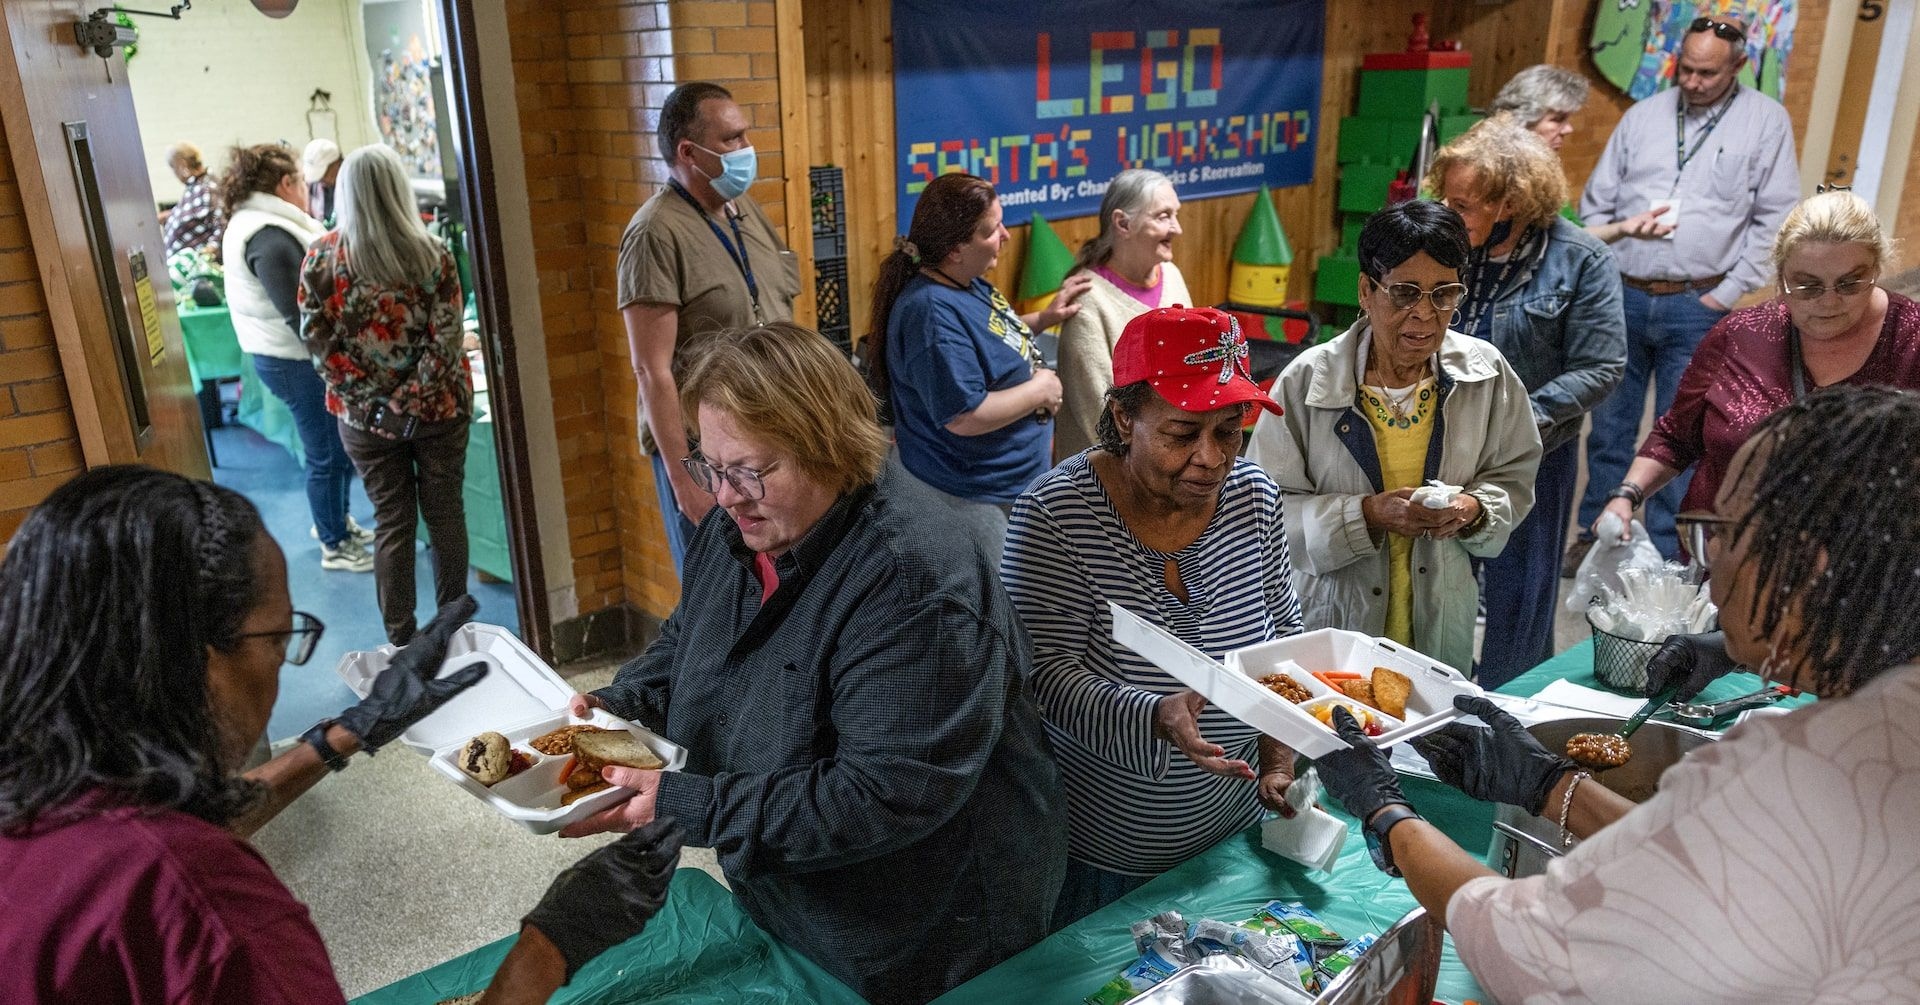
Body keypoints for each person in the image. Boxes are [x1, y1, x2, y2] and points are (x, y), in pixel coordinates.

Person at [1310, 385, 1920, 1003]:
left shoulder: (1789, 771)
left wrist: (1387, 813)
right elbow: (1695, 858)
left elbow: (1533, 945)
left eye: (1720, 535)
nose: (1708, 569)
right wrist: (1550, 786)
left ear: (1805, 570)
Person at [0, 465, 684, 1004]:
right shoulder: (207, 908)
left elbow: (162, 826)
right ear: (192, 660)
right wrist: (551, 945)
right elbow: (171, 856)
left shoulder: (37, 786)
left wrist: (340, 737)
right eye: (277, 639)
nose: (279, 667)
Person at [561, 323, 1068, 1005]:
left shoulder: (919, 580)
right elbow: (691, 638)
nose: (725, 494)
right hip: (796, 886)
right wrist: (620, 705)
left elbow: (882, 793)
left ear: (829, 446)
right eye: (710, 464)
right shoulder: (741, 525)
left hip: (928, 931)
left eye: (752, 469)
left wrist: (690, 801)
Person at [1002, 306, 1301, 925]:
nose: (1211, 458)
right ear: (1123, 416)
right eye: (1182, 433)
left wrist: (1278, 758)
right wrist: (1154, 715)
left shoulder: (1254, 497)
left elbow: (1285, 647)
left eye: (1229, 430)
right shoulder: (1055, 516)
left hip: (1232, 827)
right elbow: (1040, 677)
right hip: (1106, 853)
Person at [1247, 201, 1539, 676]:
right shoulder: (1307, 382)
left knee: (1433, 737)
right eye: (1405, 293)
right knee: (1338, 736)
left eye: (1444, 294)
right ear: (1366, 290)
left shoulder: (1486, 375)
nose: (1424, 315)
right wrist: (1364, 515)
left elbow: (1514, 477)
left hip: (1441, 619)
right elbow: (1266, 514)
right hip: (1334, 622)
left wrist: (1474, 509)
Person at [1570, 13, 1800, 566]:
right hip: (1622, 295)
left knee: (1680, 435)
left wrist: (1727, 294)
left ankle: (1666, 553)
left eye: (1707, 74)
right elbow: (1596, 201)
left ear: (1738, 67)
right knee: (1609, 430)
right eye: (1686, 70)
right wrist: (1605, 266)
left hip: (1698, 303)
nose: (1693, 83)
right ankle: (1597, 535)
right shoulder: (1644, 116)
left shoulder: (1765, 123)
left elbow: (1775, 219)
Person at [1597, 188, 1920, 548]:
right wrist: (1626, 495)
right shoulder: (1741, 335)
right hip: (1729, 558)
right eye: (1806, 285)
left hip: (1858, 570)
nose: (1829, 302)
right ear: (1781, 277)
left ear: (1877, 269)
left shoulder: (1911, 340)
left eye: (1850, 283)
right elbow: (1676, 435)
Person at [1427, 119, 1625, 686]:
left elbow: (1603, 367)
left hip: (1532, 454)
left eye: (1462, 204)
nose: (1447, 212)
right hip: (1436, 443)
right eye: (1445, 196)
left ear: (1510, 203)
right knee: (1435, 584)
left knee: (1520, 597)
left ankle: (1509, 717)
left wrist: (1514, 421)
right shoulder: (1442, 248)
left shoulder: (1582, 260)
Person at [617, 81, 802, 576]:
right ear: (688, 152)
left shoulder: (746, 213)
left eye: (745, 136)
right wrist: (686, 482)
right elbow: (651, 370)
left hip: (768, 433)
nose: (747, 150)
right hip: (707, 453)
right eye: (732, 140)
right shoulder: (656, 232)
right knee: (719, 600)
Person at [300, 144, 474, 646]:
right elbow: (446, 337)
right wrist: (412, 398)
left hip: (363, 423)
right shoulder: (433, 254)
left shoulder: (321, 258)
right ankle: (452, 631)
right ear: (400, 189)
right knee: (445, 514)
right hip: (440, 410)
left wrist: (376, 405)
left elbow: (320, 348)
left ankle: (400, 639)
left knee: (392, 522)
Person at [863, 172, 1085, 559]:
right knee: (1003, 607)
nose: (1006, 235)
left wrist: (1044, 318)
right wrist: (1041, 389)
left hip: (1007, 483)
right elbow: (964, 417)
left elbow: (988, 336)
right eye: (991, 229)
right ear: (955, 249)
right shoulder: (930, 313)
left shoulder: (965, 281)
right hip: (972, 495)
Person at [219, 143, 373, 574]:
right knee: (324, 450)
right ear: (286, 185)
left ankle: (335, 520)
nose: (306, 191)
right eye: (301, 183)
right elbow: (299, 315)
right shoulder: (267, 235)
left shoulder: (256, 223)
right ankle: (334, 543)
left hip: (291, 356)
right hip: (294, 360)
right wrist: (341, 362)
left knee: (333, 446)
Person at [1054, 169, 1187, 459]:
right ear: (1123, 223)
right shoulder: (1088, 302)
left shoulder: (1172, 276)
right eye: (1163, 216)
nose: (1177, 228)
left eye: (1175, 214)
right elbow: (1101, 421)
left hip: (1169, 459)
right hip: (1106, 477)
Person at [1485, 64, 1670, 243]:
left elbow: (1575, 236)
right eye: (1557, 120)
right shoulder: (1484, 168)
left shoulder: (1543, 176)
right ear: (1522, 120)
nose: (1568, 129)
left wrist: (1623, 228)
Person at [162, 141, 224, 259]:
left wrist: (206, 254)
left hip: (197, 273)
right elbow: (199, 215)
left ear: (182, 164)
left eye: (173, 167)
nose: (174, 173)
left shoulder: (207, 188)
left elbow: (221, 225)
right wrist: (168, 216)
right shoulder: (196, 186)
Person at [302, 138, 344, 225]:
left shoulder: (351, 185)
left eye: (324, 174)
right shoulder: (312, 185)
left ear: (336, 164)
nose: (321, 179)